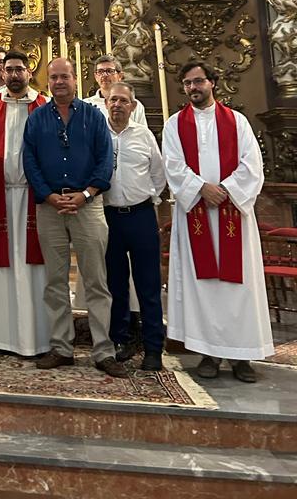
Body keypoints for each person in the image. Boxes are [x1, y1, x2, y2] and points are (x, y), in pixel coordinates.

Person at [163, 61, 274, 383]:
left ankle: (243, 357)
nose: (193, 88)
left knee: (238, 286)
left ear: (213, 82)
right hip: (195, 213)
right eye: (187, 83)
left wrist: (224, 191)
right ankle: (208, 353)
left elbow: (252, 165)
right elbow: (173, 164)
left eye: (199, 81)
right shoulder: (174, 125)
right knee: (203, 286)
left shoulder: (236, 122)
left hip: (232, 215)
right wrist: (201, 188)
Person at [22, 57, 126, 377]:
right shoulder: (37, 118)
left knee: (96, 281)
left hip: (88, 204)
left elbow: (105, 160)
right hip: (50, 207)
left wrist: (86, 194)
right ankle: (61, 347)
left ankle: (103, 351)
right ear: (48, 82)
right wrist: (50, 196)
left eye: (64, 76)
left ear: (75, 79)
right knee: (55, 282)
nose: (59, 82)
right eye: (53, 78)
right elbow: (30, 161)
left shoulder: (94, 116)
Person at [0, 50, 49, 357]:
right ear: (2, 74)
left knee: (35, 269)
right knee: (0, 268)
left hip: (36, 198)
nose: (14, 74)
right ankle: (0, 338)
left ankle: (37, 339)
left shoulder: (43, 105)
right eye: (9, 70)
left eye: (19, 69)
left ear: (29, 72)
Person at [103, 83, 166, 371]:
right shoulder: (98, 134)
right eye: (113, 99)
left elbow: (158, 174)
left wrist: (146, 198)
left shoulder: (144, 135)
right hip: (109, 217)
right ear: (106, 103)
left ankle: (154, 347)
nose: (117, 104)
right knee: (115, 284)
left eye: (123, 100)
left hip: (141, 216)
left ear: (132, 105)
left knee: (148, 284)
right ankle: (121, 340)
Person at [84, 54, 147, 126]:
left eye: (109, 71)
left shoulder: (134, 105)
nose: (104, 75)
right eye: (100, 71)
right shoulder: (85, 105)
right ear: (95, 76)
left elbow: (142, 134)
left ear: (120, 76)